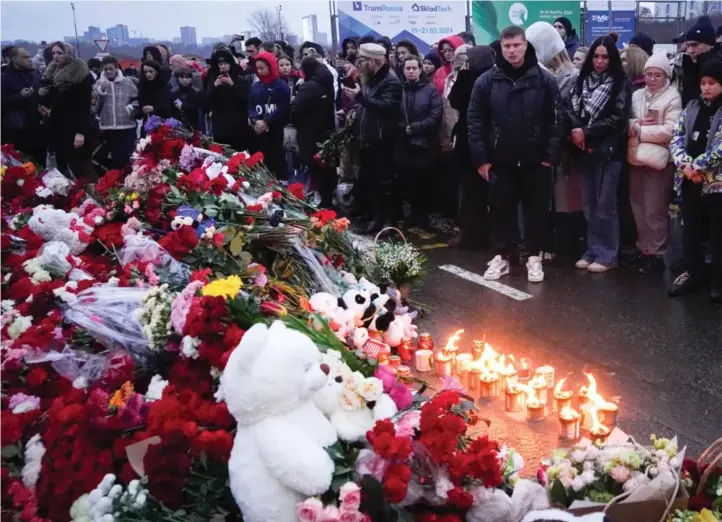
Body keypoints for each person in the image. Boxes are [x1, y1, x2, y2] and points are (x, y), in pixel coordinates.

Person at [468, 26, 563, 282]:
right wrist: (482, 160)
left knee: (536, 212)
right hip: (500, 161)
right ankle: (502, 257)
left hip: (536, 161)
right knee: (500, 211)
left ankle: (534, 257)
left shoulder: (545, 80)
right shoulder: (486, 81)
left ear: (525, 45)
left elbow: (556, 120)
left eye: (516, 45)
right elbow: (475, 122)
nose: (511, 50)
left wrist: (549, 157)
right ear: (500, 47)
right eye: (506, 46)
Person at [566, 36, 631, 273]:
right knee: (588, 205)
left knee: (606, 205)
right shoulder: (581, 81)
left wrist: (586, 130)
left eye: (605, 57)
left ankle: (607, 254)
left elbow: (617, 119)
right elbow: (569, 108)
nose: (600, 61)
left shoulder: (620, 83)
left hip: (608, 152)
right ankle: (592, 249)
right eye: (596, 56)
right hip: (584, 150)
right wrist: (576, 130)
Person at [526, 21, 583, 259]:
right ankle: (550, 243)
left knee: (565, 199)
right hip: (545, 146)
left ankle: (565, 245)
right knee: (548, 199)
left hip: (565, 149)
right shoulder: (539, 76)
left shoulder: (572, 76)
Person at [669, 59, 722, 302]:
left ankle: (717, 281)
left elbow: (720, 148)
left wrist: (698, 164)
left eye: (712, 83)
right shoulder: (691, 108)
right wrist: (684, 164)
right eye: (703, 83)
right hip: (690, 178)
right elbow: (676, 137)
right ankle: (694, 274)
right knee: (689, 230)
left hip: (716, 182)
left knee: (716, 232)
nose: (706, 88)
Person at [627, 52, 682, 274]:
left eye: (656, 75)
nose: (651, 79)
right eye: (648, 74)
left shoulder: (672, 97)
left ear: (665, 76)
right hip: (635, 158)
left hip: (659, 162)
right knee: (638, 207)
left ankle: (657, 253)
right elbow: (627, 121)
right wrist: (635, 125)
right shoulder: (636, 95)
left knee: (655, 210)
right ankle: (643, 249)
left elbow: (671, 130)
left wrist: (639, 129)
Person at [343, 43, 402, 234]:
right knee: (372, 182)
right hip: (369, 139)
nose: (359, 64)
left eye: (363, 60)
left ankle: (388, 221)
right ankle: (376, 218)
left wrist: (360, 97)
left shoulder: (390, 81)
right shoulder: (371, 79)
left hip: (383, 140)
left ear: (373, 61)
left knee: (385, 183)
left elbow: (386, 107)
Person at [447, 45, 496, 249]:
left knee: (474, 191)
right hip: (471, 141)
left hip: (480, 141)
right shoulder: (470, 77)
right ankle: (473, 233)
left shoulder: (487, 79)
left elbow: (456, 100)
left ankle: (477, 234)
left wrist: (463, 75)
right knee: (471, 191)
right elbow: (455, 101)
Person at [394, 55, 443, 228]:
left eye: (414, 68)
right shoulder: (398, 89)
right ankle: (412, 216)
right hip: (403, 143)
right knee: (408, 182)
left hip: (423, 144)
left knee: (423, 182)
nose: (411, 71)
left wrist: (417, 127)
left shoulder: (430, 89)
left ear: (420, 69)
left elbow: (436, 115)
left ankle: (423, 217)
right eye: (408, 68)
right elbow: (392, 114)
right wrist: (402, 128)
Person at [38, 42, 95, 179]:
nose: (56, 57)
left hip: (75, 125)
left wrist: (80, 132)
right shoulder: (51, 73)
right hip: (57, 124)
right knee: (61, 164)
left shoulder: (81, 73)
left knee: (80, 166)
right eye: (54, 53)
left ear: (69, 53)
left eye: (60, 53)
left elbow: (84, 105)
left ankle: (92, 195)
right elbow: (49, 98)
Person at [291, 57, 336, 207]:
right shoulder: (326, 82)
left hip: (309, 134)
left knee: (314, 169)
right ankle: (327, 201)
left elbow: (296, 112)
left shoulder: (309, 87)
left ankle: (319, 203)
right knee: (325, 168)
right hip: (325, 132)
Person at [249, 51, 291, 178]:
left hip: (276, 130)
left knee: (277, 159)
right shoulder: (255, 87)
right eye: (257, 68)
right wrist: (255, 120)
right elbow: (250, 106)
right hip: (258, 130)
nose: (260, 71)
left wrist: (267, 121)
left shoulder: (281, 85)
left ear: (271, 67)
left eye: (262, 68)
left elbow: (283, 107)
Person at [1, 47, 45, 164]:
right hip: (17, 132)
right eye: (25, 57)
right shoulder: (4, 79)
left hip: (37, 130)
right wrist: (20, 96)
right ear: (14, 59)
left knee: (41, 166)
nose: (30, 60)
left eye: (29, 57)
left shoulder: (34, 76)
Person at [95, 56, 139, 169]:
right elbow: (94, 103)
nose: (108, 71)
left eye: (111, 68)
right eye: (105, 69)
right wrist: (100, 93)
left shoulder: (127, 82)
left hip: (127, 125)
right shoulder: (98, 84)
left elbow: (137, 98)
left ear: (116, 68)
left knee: (129, 155)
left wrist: (131, 108)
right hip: (109, 126)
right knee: (116, 157)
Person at [205, 46, 250, 151]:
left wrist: (233, 85)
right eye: (220, 64)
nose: (223, 66)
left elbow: (245, 100)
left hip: (238, 126)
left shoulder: (240, 79)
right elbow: (206, 103)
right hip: (220, 127)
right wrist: (214, 87)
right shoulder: (212, 80)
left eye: (225, 64)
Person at [680, 16, 720, 107]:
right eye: (688, 46)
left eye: (695, 45)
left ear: (710, 45)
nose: (690, 50)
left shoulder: (718, 67)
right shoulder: (688, 66)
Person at [136, 60, 172, 128]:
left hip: (162, 124)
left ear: (157, 72)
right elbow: (140, 105)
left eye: (150, 71)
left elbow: (168, 106)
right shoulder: (142, 86)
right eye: (145, 72)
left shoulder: (164, 86)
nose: (148, 74)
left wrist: (154, 108)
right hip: (147, 122)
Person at [170, 66, 202, 131]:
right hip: (176, 125)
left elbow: (198, 109)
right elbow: (170, 109)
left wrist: (183, 105)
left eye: (187, 77)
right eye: (182, 77)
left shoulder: (197, 92)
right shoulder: (173, 91)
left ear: (191, 78)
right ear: (178, 78)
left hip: (192, 125)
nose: (185, 80)